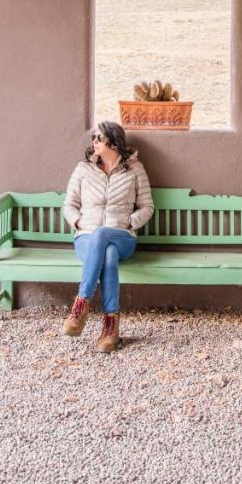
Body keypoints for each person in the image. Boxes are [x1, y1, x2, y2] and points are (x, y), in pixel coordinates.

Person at [60, 121, 154, 352]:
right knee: (107, 254)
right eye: (94, 137)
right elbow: (69, 204)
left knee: (105, 237)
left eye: (99, 138)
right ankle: (110, 328)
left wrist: (130, 222)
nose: (94, 142)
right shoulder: (83, 169)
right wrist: (79, 222)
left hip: (122, 236)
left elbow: (147, 207)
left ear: (113, 142)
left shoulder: (135, 169)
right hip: (86, 238)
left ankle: (80, 305)